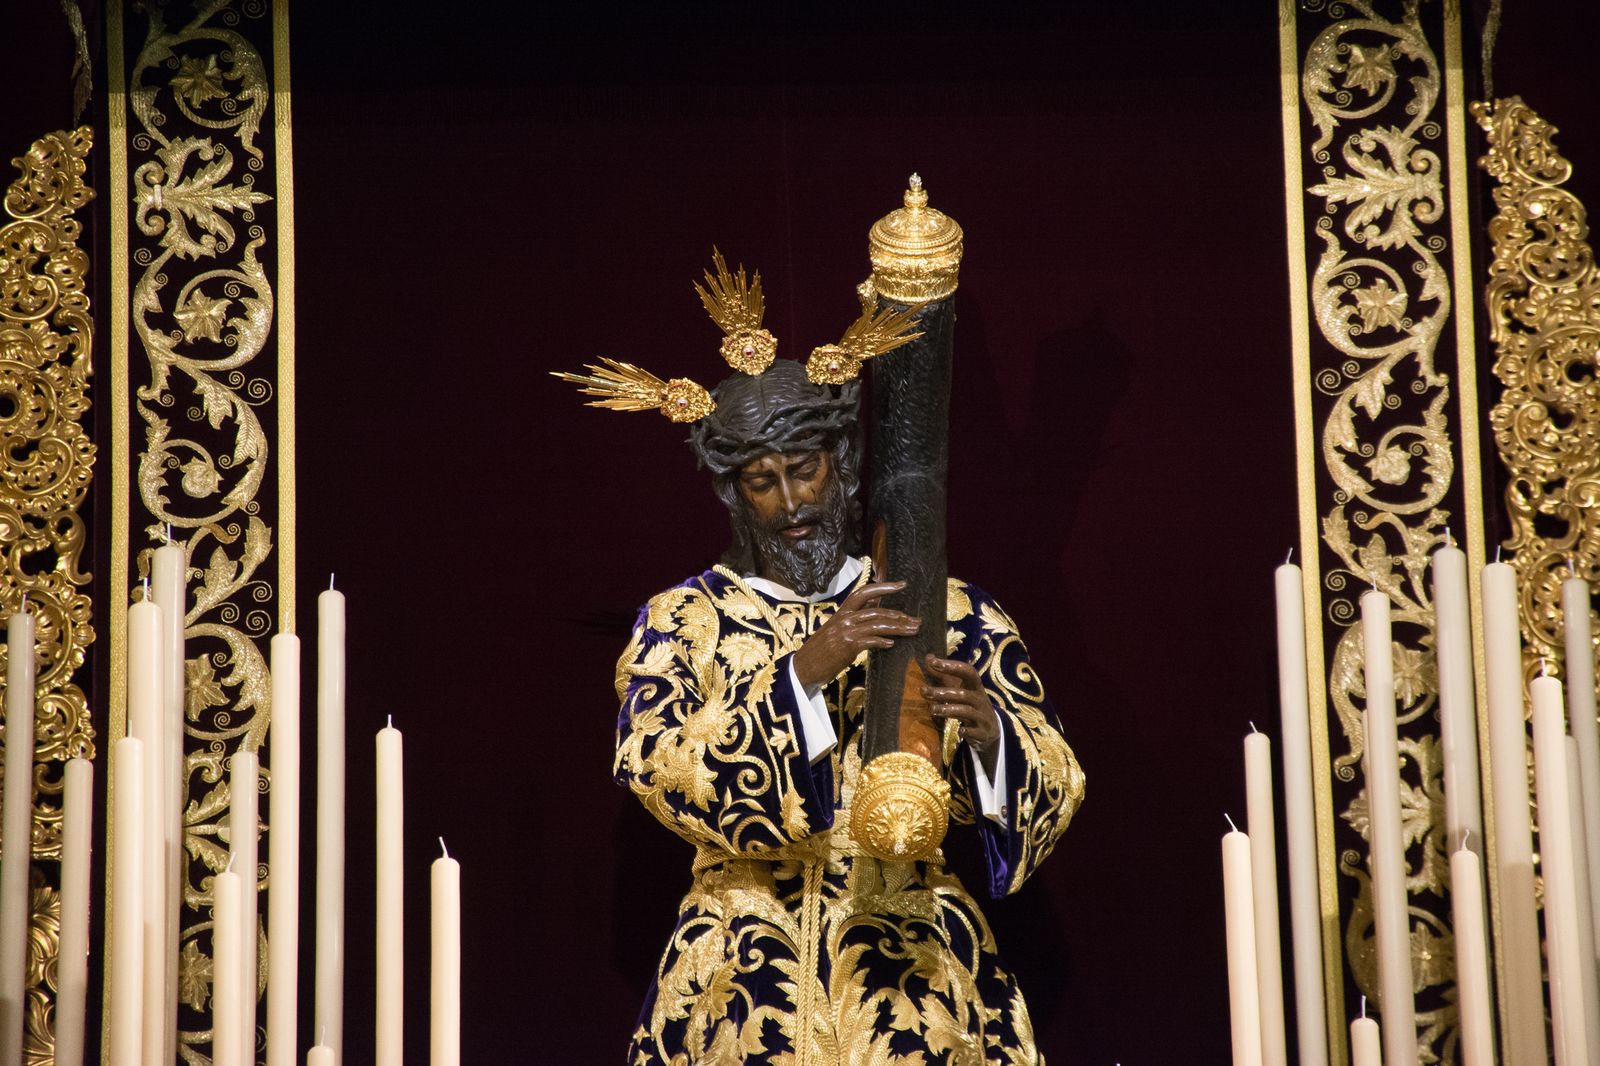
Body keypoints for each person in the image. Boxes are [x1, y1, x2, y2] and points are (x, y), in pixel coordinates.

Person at [611, 359, 1085, 1065]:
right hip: (744, 977)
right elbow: (658, 768)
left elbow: (1058, 779)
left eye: (805, 470)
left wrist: (991, 738)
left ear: (844, 465)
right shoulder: (683, 622)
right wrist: (807, 668)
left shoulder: (948, 611)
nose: (791, 503)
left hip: (914, 976)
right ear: (732, 493)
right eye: (761, 482)